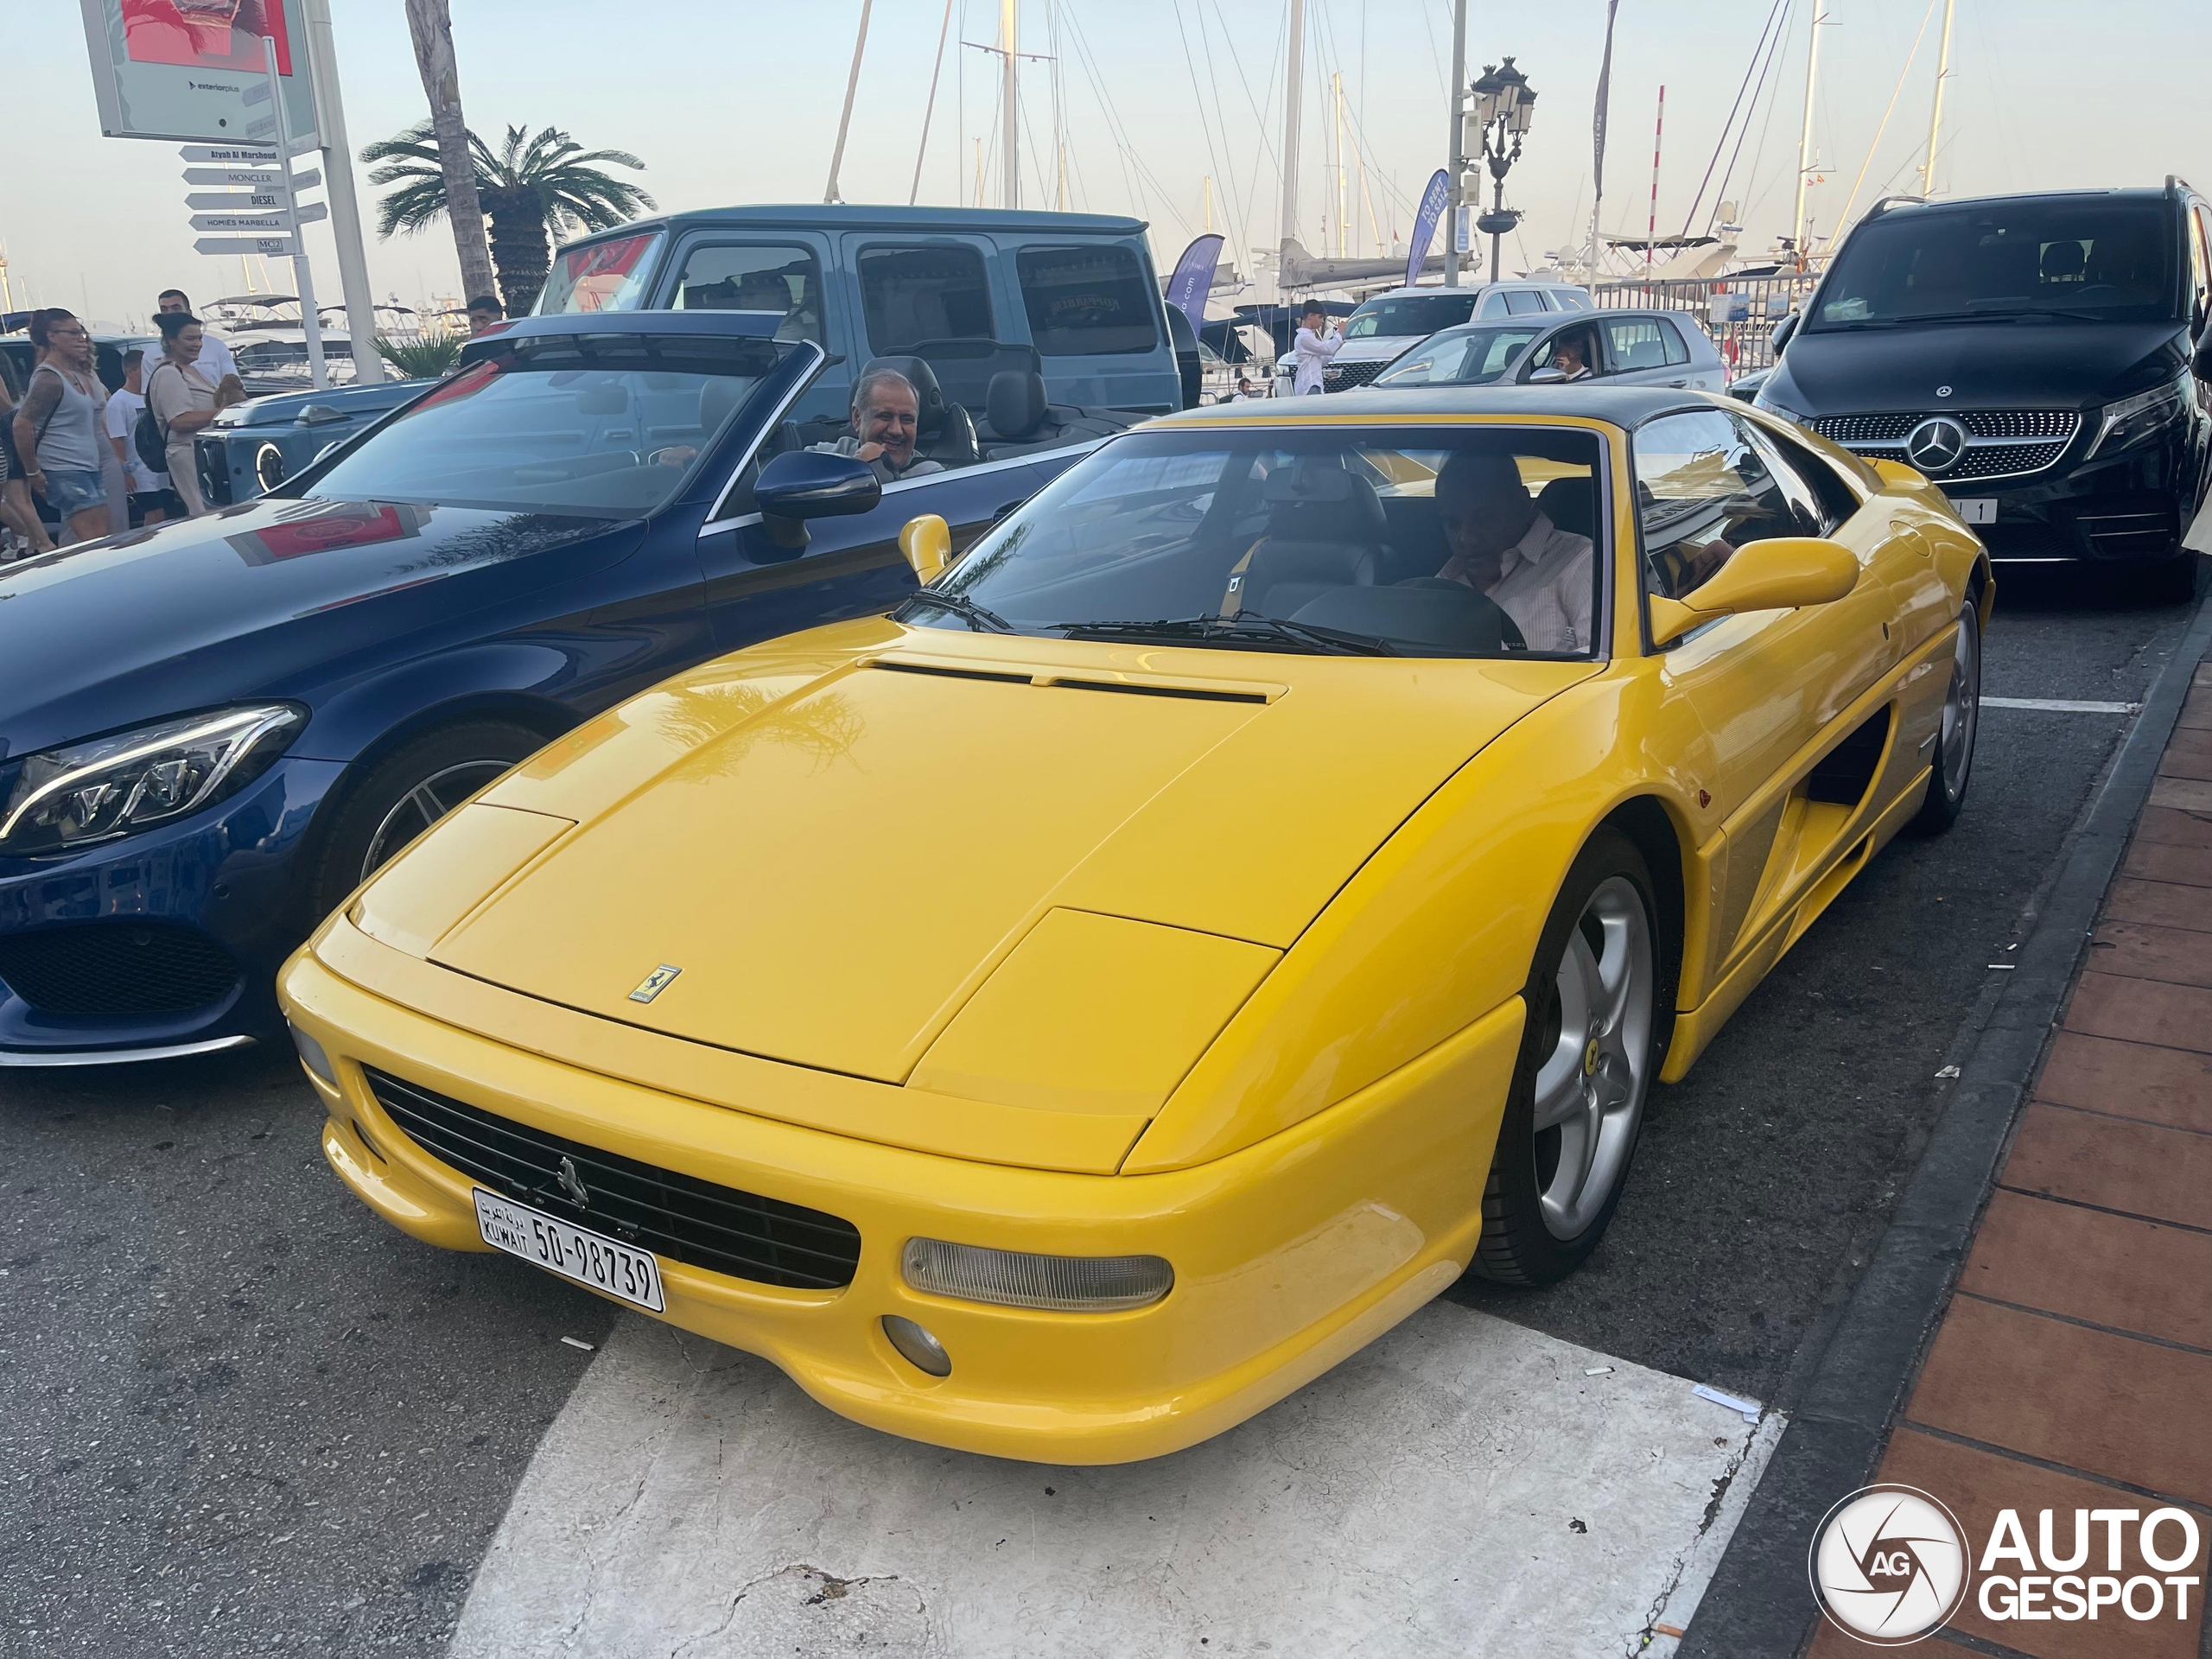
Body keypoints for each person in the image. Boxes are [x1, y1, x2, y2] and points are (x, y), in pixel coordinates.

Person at [1433, 450, 1594, 653]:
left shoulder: (1580, 562)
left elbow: (1603, 666)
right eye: (1452, 523)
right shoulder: (1441, 584)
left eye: (1483, 518)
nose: (1466, 538)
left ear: (1521, 504)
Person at [12, 309, 113, 546]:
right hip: (64, 468)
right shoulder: (49, 378)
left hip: (87, 466)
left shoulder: (75, 373)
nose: (81, 339)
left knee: (102, 537)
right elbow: (21, 424)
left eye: (81, 333)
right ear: (52, 336)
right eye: (73, 333)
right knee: (94, 541)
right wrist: (32, 471)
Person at [145, 312, 241, 518]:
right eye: (189, 338)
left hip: (202, 454)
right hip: (187, 454)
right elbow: (179, 420)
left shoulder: (189, 369)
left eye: (199, 338)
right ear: (170, 340)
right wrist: (224, 412)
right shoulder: (168, 373)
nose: (197, 344)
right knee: (204, 512)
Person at [807, 368, 944, 482]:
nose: (896, 430)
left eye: (906, 419)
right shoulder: (830, 454)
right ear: (857, 418)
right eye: (885, 416)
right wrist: (854, 467)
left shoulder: (931, 477)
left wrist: (877, 469)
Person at [104, 349, 177, 527]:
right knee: (154, 516)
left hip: (161, 468)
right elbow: (116, 440)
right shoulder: (119, 402)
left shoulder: (151, 397)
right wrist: (125, 472)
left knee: (168, 515)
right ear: (131, 371)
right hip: (139, 472)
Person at [156, 289, 245, 399]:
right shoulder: (162, 365)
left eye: (176, 308)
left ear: (189, 312)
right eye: (164, 309)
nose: (198, 344)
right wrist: (221, 410)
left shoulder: (216, 347)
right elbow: (178, 415)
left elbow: (234, 386)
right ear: (171, 341)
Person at [1289, 302, 1341, 394]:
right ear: (1310, 316)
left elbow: (1321, 360)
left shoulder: (1308, 337)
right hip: (1309, 385)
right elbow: (1328, 349)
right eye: (1320, 317)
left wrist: (1337, 346)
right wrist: (1340, 333)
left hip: (1313, 385)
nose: (1322, 321)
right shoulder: (1304, 338)